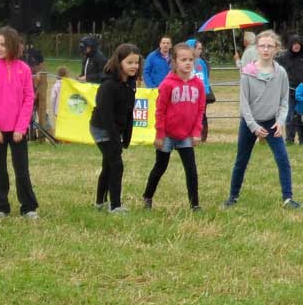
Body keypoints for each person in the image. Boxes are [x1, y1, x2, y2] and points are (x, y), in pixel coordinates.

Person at [224, 30, 300, 209]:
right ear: (256, 48)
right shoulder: (247, 72)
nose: (266, 49)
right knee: (241, 160)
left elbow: (284, 101)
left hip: (271, 123)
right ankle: (233, 196)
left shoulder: (280, 73)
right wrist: (253, 127)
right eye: (262, 46)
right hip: (249, 123)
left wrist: (280, 122)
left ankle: (288, 198)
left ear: (276, 49)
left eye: (270, 46)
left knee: (283, 159)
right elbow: (244, 104)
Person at [0, 26, 39, 219]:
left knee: (21, 169)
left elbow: (28, 99)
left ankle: (28, 206)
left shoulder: (24, 69)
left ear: (13, 45)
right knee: (0, 169)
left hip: (18, 131)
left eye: (3, 45)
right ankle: (2, 206)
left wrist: (21, 128)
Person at [142, 42, 205, 211]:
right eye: (183, 59)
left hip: (186, 136)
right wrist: (160, 135)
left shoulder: (198, 84)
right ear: (174, 62)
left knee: (191, 170)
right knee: (160, 167)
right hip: (168, 135)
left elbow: (200, 109)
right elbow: (160, 111)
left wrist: (197, 131)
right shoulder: (167, 84)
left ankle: (195, 204)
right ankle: (147, 197)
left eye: (190, 59)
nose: (187, 63)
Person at [90, 44, 140, 213]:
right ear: (119, 63)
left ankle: (100, 202)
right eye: (129, 62)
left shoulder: (131, 84)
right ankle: (115, 205)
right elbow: (105, 114)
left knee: (109, 165)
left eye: (136, 62)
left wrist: (126, 137)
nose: (134, 66)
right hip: (102, 128)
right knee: (116, 164)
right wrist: (114, 139)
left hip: (115, 129)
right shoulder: (108, 85)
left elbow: (128, 111)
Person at [192, 39, 213, 142]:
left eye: (201, 49)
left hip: (202, 93)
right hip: (191, 93)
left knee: (202, 115)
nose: (200, 51)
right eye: (198, 48)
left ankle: (202, 137)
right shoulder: (189, 61)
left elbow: (205, 77)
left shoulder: (202, 62)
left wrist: (206, 90)